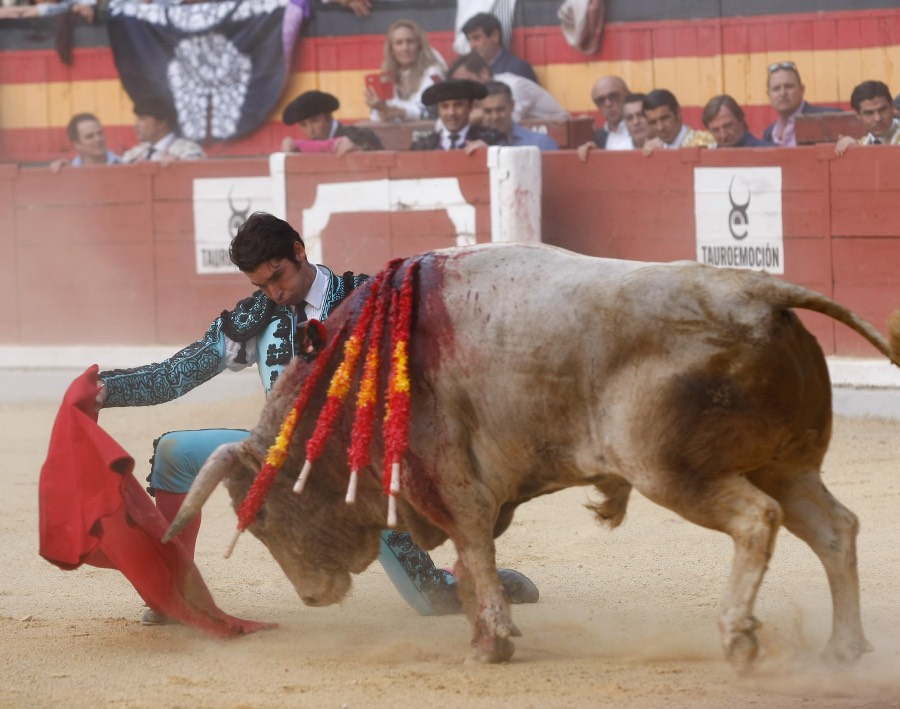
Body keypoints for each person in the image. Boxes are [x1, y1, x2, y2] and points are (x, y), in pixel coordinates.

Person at [96, 212, 538, 625]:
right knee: (173, 453)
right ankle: (174, 591)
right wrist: (107, 390)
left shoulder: (365, 299)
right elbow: (176, 374)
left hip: (359, 473)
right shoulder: (256, 317)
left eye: (278, 277)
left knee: (430, 599)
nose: (275, 293)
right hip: (279, 459)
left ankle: (471, 579)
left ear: (299, 251)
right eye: (261, 284)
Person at [365, 19, 447, 123]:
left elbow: (430, 111)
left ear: (420, 45)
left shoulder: (433, 72)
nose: (405, 48)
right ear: (392, 49)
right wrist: (380, 109)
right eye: (399, 43)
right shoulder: (388, 75)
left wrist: (394, 111)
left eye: (410, 41)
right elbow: (375, 117)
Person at [447, 52, 567, 122]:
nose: (463, 89)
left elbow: (507, 121)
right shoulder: (477, 96)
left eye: (466, 82)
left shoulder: (515, 86)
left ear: (484, 73)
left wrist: (464, 118)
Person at [409, 79, 505, 151]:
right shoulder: (423, 147)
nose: (451, 113)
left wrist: (489, 153)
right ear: (438, 109)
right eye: (445, 106)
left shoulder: (492, 139)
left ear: (470, 106)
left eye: (458, 105)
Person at [763, 61, 841, 147]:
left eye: (788, 86)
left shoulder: (829, 118)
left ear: (802, 90)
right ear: (768, 95)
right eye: (776, 89)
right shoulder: (769, 133)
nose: (783, 93)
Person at [281, 90, 383, 156]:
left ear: (328, 117)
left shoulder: (360, 135)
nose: (310, 130)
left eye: (314, 121)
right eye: (303, 125)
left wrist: (358, 150)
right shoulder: (307, 148)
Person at [461, 11, 538, 84]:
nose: (472, 46)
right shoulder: (471, 69)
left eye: (476, 38)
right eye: (469, 40)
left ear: (495, 35)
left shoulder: (518, 68)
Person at [478, 80, 558, 150]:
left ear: (512, 105)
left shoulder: (540, 143)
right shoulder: (475, 144)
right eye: (488, 111)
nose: (495, 117)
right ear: (479, 110)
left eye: (500, 110)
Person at [121, 98, 205, 164]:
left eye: (142, 119)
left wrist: (180, 166)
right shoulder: (134, 154)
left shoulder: (188, 151)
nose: (136, 124)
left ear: (162, 123)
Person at [834, 80, 900, 156]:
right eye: (869, 113)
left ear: (892, 107)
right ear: (858, 115)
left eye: (882, 110)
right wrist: (852, 148)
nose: (878, 118)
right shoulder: (863, 143)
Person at [641, 89, 715, 154]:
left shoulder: (707, 143)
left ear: (678, 113)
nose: (660, 127)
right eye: (653, 122)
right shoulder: (652, 149)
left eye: (664, 118)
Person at [576, 76, 632, 159]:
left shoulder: (647, 128)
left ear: (627, 95)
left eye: (613, 96)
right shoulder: (598, 138)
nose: (608, 104)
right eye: (601, 100)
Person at [49, 113, 121, 173]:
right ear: (77, 144)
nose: (98, 139)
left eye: (100, 133)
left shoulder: (125, 164)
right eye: (90, 137)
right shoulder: (69, 171)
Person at [702, 95, 774, 148]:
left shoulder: (768, 152)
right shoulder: (707, 159)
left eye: (728, 126)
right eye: (715, 130)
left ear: (740, 120)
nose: (723, 135)